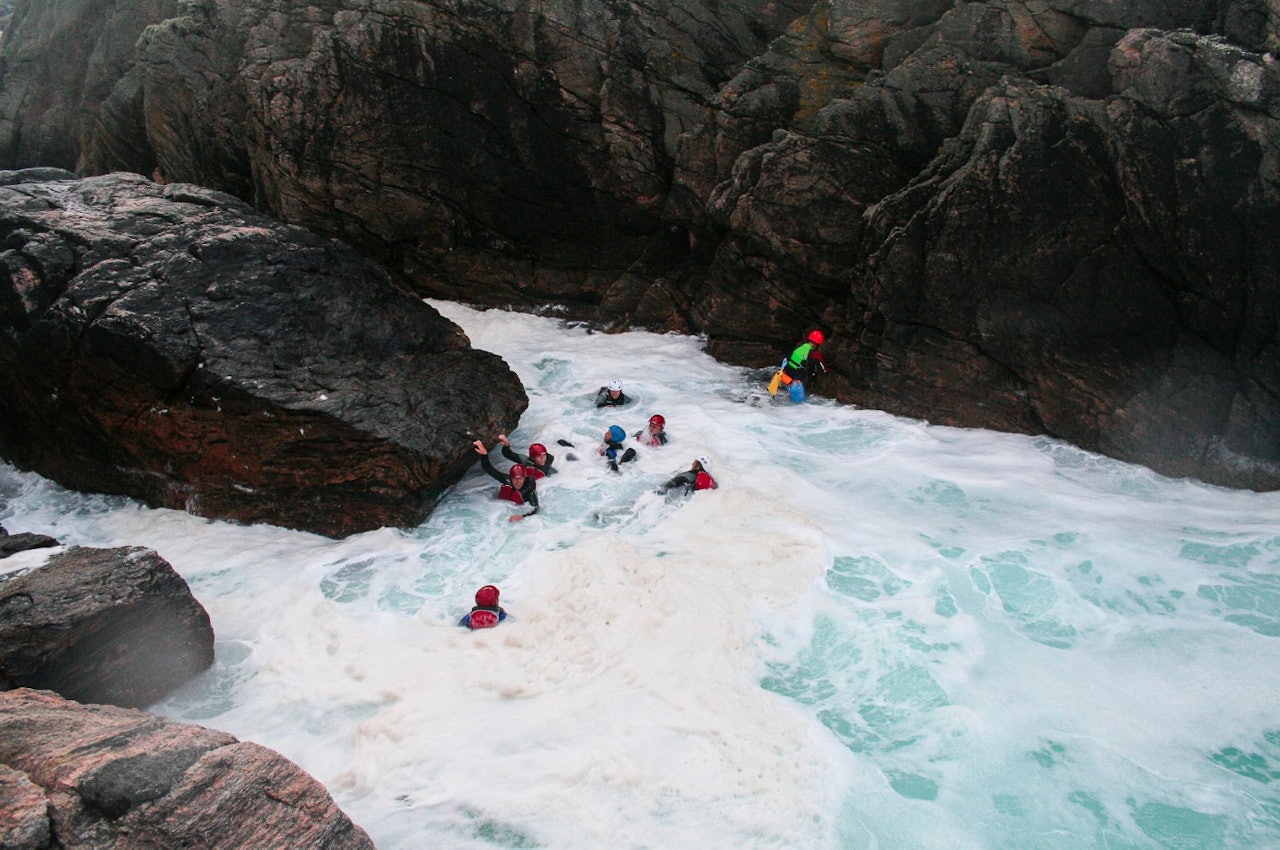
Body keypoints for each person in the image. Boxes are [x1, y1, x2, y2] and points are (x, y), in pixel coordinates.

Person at [473, 440, 539, 521]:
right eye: (515, 479)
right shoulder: (507, 480)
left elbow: (536, 509)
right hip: (502, 505)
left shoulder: (529, 492)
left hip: (517, 507)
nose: (518, 482)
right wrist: (484, 455)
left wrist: (522, 516)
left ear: (524, 478)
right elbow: (489, 469)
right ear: (511, 478)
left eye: (520, 479)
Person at [769, 329, 828, 403]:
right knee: (799, 406)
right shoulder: (815, 354)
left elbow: (788, 357)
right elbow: (824, 371)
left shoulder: (798, 345)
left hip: (783, 375)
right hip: (795, 384)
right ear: (818, 344)